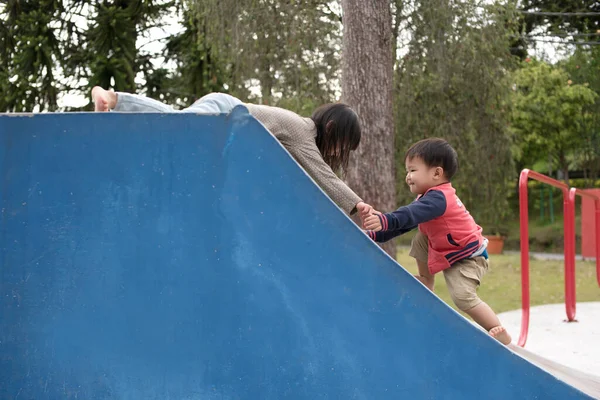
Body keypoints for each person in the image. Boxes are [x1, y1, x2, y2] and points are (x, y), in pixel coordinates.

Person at [91, 87, 372, 217]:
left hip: (226, 116)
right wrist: (360, 206)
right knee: (178, 124)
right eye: (343, 145)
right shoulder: (303, 132)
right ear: (332, 128)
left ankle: (116, 101)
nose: (339, 152)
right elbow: (324, 177)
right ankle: (114, 99)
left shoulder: (299, 134)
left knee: (177, 128)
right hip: (224, 109)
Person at [362, 138, 511, 345]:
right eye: (407, 171)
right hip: (448, 248)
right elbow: (405, 224)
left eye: (413, 170)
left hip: (468, 258)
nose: (408, 176)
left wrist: (384, 220)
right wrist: (375, 235)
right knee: (421, 237)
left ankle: (498, 330)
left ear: (436, 173)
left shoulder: (439, 199)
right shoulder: (427, 199)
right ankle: (426, 279)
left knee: (462, 297)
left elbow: (407, 215)